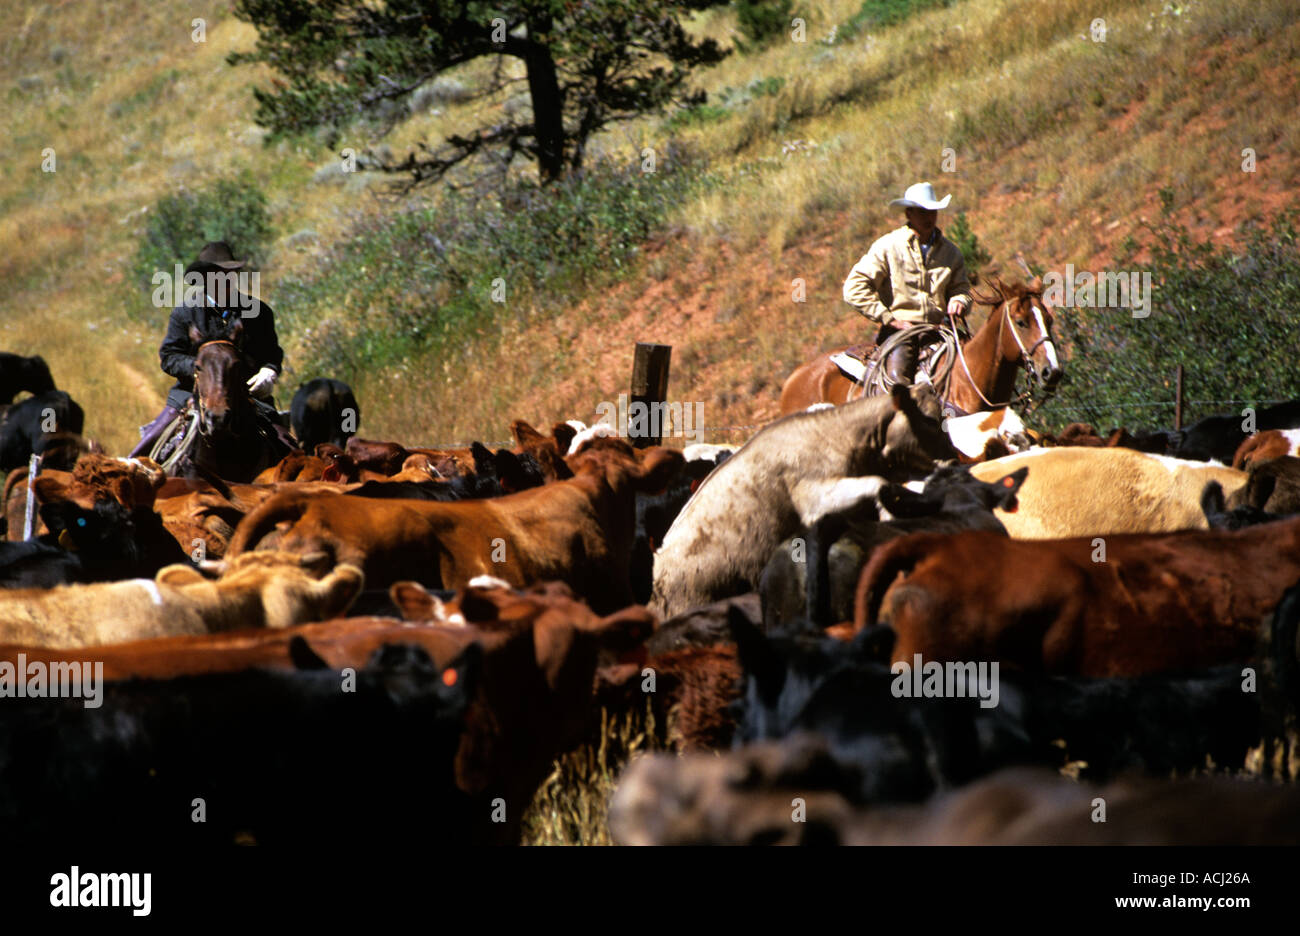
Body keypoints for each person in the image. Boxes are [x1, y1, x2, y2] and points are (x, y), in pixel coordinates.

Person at [129, 242, 285, 458]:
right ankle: (129, 471)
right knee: (150, 448)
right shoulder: (184, 313)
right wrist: (202, 370)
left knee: (288, 447)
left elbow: (272, 353)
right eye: (221, 274)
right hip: (191, 394)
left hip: (248, 394)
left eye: (232, 273)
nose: (228, 279)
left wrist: (269, 371)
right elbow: (169, 356)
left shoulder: (259, 313)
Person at [842, 182, 973, 386]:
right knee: (897, 386)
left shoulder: (951, 253)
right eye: (922, 211)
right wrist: (889, 318)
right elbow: (853, 288)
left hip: (940, 331)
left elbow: (962, 289)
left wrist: (959, 301)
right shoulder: (888, 247)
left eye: (932, 211)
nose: (928, 217)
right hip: (901, 333)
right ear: (909, 213)